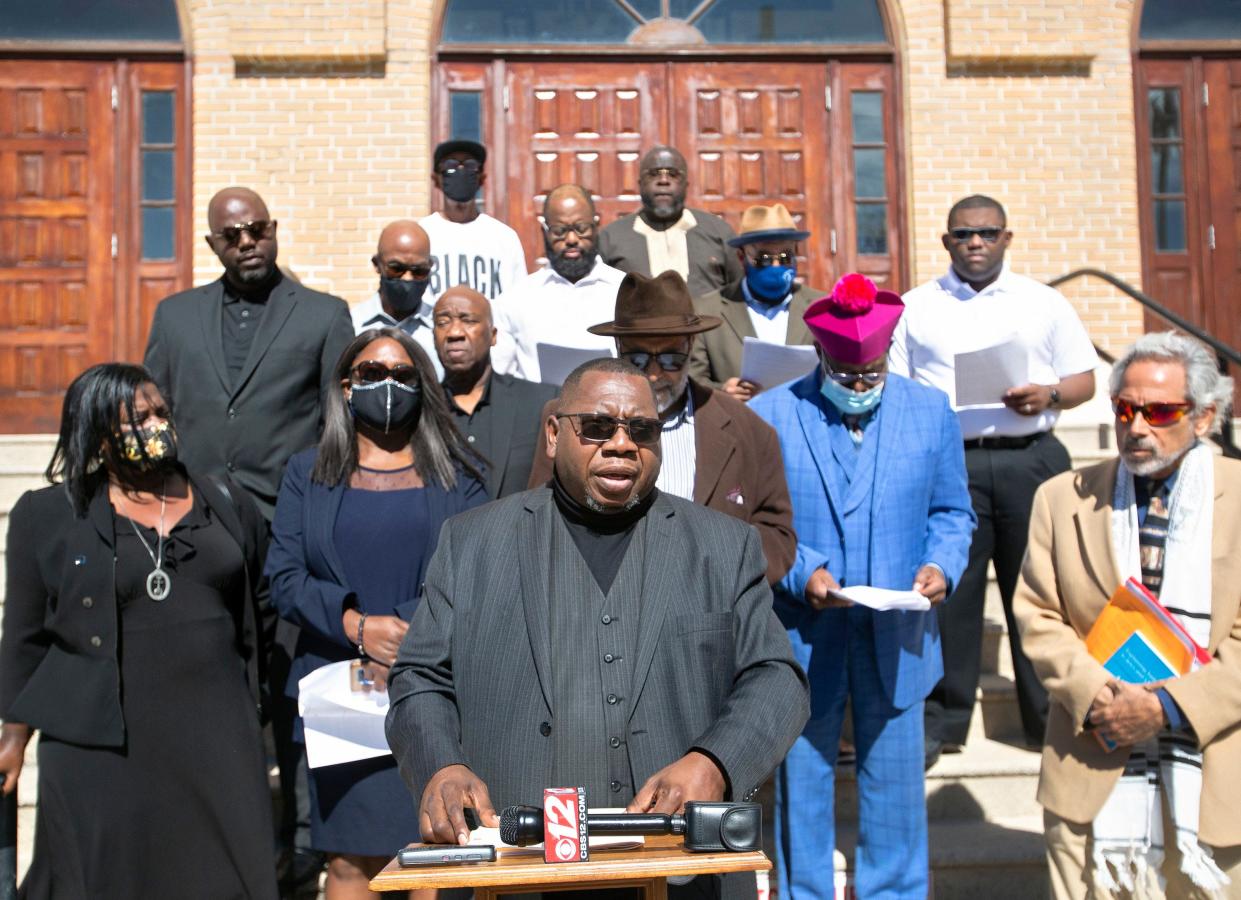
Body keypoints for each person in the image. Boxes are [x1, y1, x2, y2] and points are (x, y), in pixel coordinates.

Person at [385, 357, 810, 900]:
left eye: (641, 429)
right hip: (519, 868)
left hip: (678, 864)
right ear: (553, 434)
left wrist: (715, 762)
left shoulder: (722, 548)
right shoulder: (472, 544)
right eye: (597, 426)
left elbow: (776, 677)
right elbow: (419, 675)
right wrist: (441, 764)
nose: (621, 444)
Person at [144, 185, 354, 891]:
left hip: (285, 535)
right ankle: (216, 847)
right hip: (195, 535)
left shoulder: (323, 315)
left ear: (273, 229)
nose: (247, 243)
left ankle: (300, 855)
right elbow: (153, 418)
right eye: (231, 236)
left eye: (257, 229)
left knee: (290, 696)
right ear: (213, 245)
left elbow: (338, 427)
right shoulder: (174, 317)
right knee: (211, 694)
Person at [0, 363, 276, 899]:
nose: (155, 426)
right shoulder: (47, 515)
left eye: (160, 413)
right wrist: (14, 730)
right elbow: (23, 634)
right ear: (96, 433)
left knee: (223, 878)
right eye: (135, 419)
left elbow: (259, 607)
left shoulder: (223, 499)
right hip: (102, 744)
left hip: (215, 733)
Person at [750, 273, 976, 900]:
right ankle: (804, 892)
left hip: (898, 630)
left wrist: (941, 566)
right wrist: (804, 571)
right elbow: (762, 523)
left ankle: (896, 891)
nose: (859, 388)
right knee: (803, 777)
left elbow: (952, 513)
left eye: (870, 376)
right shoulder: (772, 415)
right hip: (807, 632)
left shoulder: (929, 413)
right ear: (820, 356)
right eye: (846, 378)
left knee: (897, 788)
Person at [1013, 332, 1241, 900]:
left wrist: (1166, 707)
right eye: (1124, 408)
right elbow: (1038, 614)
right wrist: (1101, 699)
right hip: (1092, 757)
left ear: (1205, 417)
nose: (1137, 425)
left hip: (1214, 776)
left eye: (1160, 411)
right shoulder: (1062, 498)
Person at [265, 327, 486, 899]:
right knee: (350, 861)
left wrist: (407, 635)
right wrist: (358, 627)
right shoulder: (306, 474)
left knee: (435, 858)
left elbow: (477, 571)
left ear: (424, 386)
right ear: (345, 386)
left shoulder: (462, 476)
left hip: (437, 691)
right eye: (370, 374)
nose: (387, 385)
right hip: (341, 693)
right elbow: (284, 577)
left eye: (403, 375)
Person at [890, 194, 1098, 759]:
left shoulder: (1043, 302)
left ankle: (1045, 718)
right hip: (949, 462)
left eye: (986, 233)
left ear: (1007, 237)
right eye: (963, 234)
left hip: (1028, 457)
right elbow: (895, 385)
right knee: (948, 588)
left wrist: (1048, 393)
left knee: (1038, 587)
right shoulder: (915, 306)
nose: (975, 243)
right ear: (946, 242)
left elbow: (1084, 380)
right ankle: (947, 719)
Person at [527, 270, 797, 584]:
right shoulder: (569, 417)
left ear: (692, 345)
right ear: (618, 347)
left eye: (671, 359)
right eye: (638, 360)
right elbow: (541, 514)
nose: (655, 374)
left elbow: (777, 536)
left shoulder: (749, 430)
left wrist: (720, 580)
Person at [688, 203, 825, 400]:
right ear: (742, 257)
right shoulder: (706, 310)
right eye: (764, 259)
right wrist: (721, 392)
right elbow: (691, 380)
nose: (776, 266)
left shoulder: (820, 307)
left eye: (785, 257)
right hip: (740, 424)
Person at [491, 184, 625, 383]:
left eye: (581, 229)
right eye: (559, 230)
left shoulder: (624, 291)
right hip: (537, 412)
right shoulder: (516, 300)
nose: (571, 239)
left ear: (596, 226)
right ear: (544, 231)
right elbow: (501, 376)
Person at [433, 285, 557, 498]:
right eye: (442, 322)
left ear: (493, 335)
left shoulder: (540, 403)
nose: (454, 332)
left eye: (468, 320)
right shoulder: (419, 410)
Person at [598, 145, 743, 298]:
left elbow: (738, 292)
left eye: (673, 174)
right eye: (654, 174)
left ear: (686, 184)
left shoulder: (719, 232)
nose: (663, 181)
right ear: (640, 184)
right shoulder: (611, 237)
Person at [419, 138, 527, 302]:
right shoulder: (422, 234)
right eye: (451, 165)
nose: (460, 171)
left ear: (482, 178)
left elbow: (518, 301)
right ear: (436, 179)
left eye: (470, 165)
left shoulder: (504, 237)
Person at [351, 219, 442, 379]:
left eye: (418, 270)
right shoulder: (352, 325)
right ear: (377, 264)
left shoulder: (441, 327)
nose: (407, 278)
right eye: (396, 269)